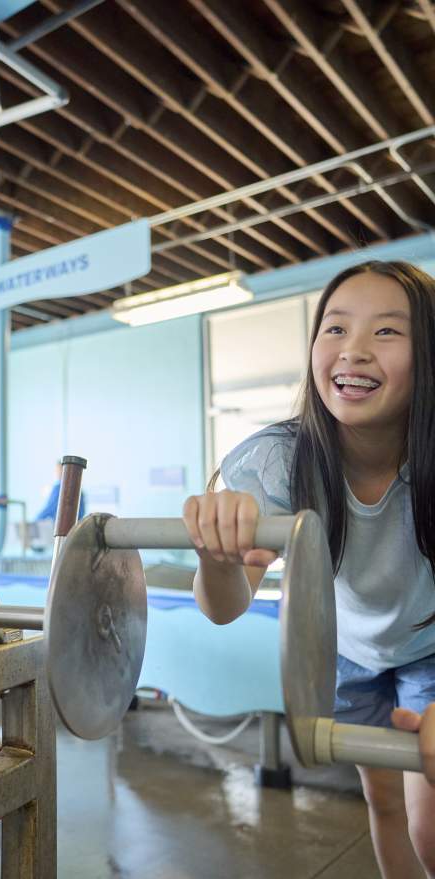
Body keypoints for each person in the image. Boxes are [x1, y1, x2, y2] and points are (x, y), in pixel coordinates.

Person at [183, 261, 435, 878]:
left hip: (430, 645)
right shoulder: (274, 461)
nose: (353, 351)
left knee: (431, 825)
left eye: (386, 333)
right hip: (346, 649)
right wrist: (216, 557)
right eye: (335, 329)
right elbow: (223, 605)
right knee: (381, 802)